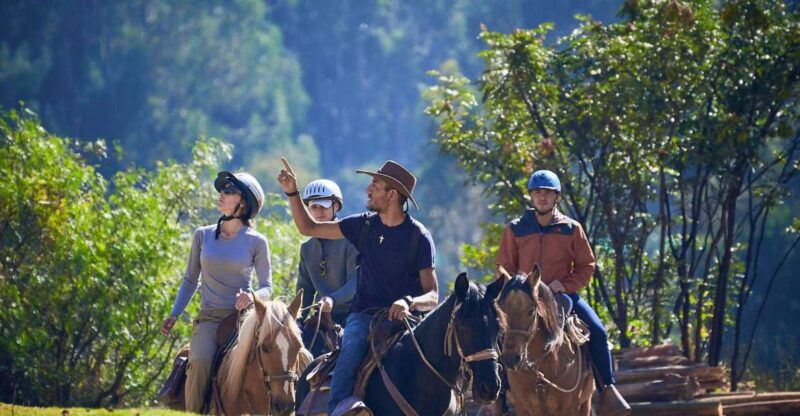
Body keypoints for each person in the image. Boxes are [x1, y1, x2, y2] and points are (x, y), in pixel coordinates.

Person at [277, 157, 439, 415]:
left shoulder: (419, 237)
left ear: (392, 195)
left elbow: (432, 295)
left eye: (375, 185)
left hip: (408, 322)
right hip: (364, 317)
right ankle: (339, 409)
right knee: (350, 351)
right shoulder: (363, 226)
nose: (368, 190)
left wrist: (409, 302)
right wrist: (292, 192)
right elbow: (308, 227)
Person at [490, 169, 629, 415]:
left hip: (563, 296)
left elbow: (587, 266)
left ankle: (607, 388)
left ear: (556, 197)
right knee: (497, 334)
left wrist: (563, 285)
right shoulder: (515, 229)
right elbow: (504, 267)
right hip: (524, 300)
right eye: (537, 193)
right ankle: (497, 398)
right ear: (531, 197)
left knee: (597, 330)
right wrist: (515, 286)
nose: (542, 197)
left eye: (547, 193)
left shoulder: (571, 229)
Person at [160, 171, 272, 414]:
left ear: (244, 203)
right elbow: (190, 279)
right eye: (222, 190)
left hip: (243, 321)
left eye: (229, 191)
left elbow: (267, 288)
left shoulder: (257, 241)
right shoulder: (202, 235)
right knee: (199, 361)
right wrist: (174, 313)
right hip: (210, 318)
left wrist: (252, 297)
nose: (221, 194)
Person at [297, 179, 358, 325]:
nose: (318, 212)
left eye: (323, 207)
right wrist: (298, 318)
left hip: (354, 314)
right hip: (322, 317)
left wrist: (332, 299)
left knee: (352, 346)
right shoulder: (306, 248)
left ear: (335, 206)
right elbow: (305, 289)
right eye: (314, 207)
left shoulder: (351, 241)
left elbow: (355, 283)